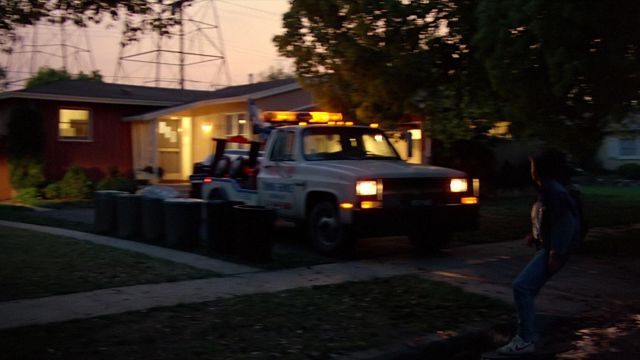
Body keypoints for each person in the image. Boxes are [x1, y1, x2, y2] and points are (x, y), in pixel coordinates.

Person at [497, 148, 583, 355]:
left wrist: (556, 251)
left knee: (522, 287)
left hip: (553, 251)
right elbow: (548, 219)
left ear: (541, 169)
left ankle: (525, 340)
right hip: (548, 248)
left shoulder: (553, 191)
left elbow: (566, 222)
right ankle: (528, 335)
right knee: (527, 291)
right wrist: (534, 235)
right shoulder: (548, 189)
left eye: (533, 166)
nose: (531, 170)